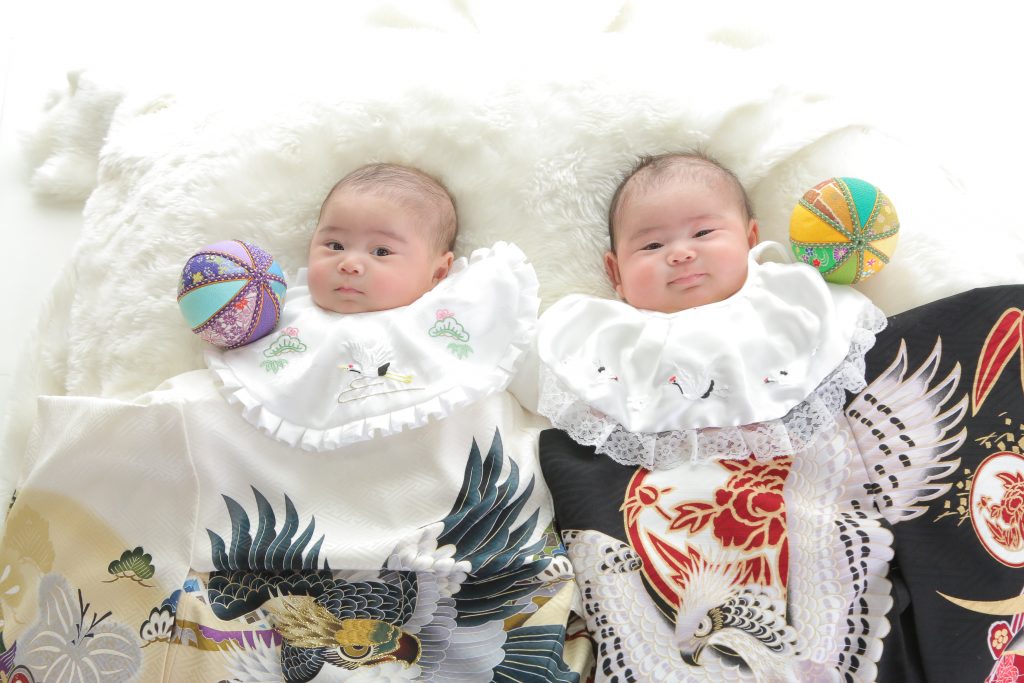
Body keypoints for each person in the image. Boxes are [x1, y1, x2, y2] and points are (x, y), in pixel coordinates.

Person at [0, 162, 587, 682]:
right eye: (333, 244)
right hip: (278, 494)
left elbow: (533, 386)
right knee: (154, 433)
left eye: (382, 252)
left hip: (432, 518)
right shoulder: (283, 322)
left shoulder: (459, 324)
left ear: (439, 271)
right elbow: (219, 400)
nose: (351, 262)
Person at [535, 150, 969, 681]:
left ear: (750, 237)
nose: (680, 253)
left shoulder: (788, 304)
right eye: (651, 245)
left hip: (796, 510)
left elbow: (864, 367)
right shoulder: (605, 339)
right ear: (614, 272)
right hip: (674, 525)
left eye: (703, 233)